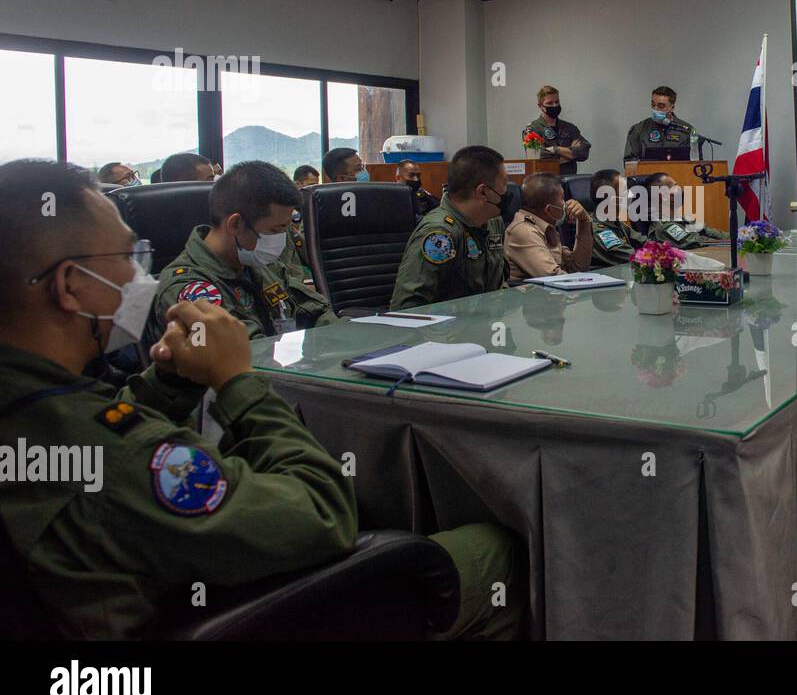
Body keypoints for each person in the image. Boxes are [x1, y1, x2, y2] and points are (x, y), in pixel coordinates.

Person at [0, 159, 524, 641]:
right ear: (70, 285)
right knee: (498, 549)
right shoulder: (115, 457)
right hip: (236, 609)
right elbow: (323, 515)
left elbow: (113, 420)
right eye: (125, 257)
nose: (140, 275)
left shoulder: (43, 405)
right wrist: (236, 382)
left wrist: (169, 382)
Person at [147, 161, 340, 343]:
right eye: (274, 230)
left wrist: (351, 340)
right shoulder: (193, 289)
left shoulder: (258, 264)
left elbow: (314, 311)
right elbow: (237, 355)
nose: (281, 239)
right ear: (235, 224)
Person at [391, 146, 509, 308]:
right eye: (504, 184)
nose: (508, 191)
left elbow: (499, 284)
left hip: (490, 326)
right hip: (449, 330)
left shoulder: (493, 223)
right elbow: (407, 308)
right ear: (483, 192)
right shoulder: (439, 233)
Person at [505, 172, 593, 281]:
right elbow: (555, 278)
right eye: (562, 199)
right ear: (549, 209)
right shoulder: (525, 231)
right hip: (529, 296)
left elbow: (578, 267)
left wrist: (584, 221)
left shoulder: (546, 228)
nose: (565, 204)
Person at [640, 172, 728, 248]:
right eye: (674, 186)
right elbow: (699, 242)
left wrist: (738, 238)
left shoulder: (684, 219)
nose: (680, 189)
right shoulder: (664, 227)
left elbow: (716, 234)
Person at [522, 86, 590, 176]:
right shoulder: (532, 129)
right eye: (550, 103)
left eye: (557, 102)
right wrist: (571, 155)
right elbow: (536, 158)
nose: (554, 105)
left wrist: (555, 149)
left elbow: (583, 152)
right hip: (545, 183)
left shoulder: (569, 127)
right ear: (540, 106)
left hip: (569, 182)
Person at [588, 168, 647, 267]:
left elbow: (643, 241)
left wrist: (666, 250)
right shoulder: (600, 230)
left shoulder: (615, 221)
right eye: (625, 191)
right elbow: (632, 257)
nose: (630, 194)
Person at [624, 86, 696, 162]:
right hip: (647, 173)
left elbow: (694, 163)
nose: (655, 109)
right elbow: (629, 161)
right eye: (653, 104)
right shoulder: (639, 129)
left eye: (661, 106)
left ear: (672, 108)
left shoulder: (686, 131)